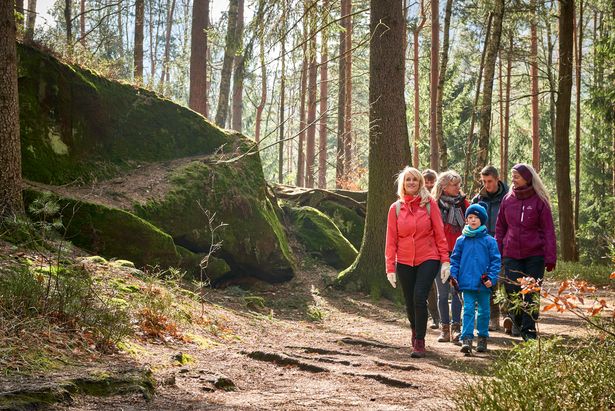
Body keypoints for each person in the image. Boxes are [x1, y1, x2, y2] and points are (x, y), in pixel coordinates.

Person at [385, 167, 449, 358]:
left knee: (419, 297)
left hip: (428, 257)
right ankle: (414, 332)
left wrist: (445, 260)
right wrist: (390, 266)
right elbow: (391, 239)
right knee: (409, 301)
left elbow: (440, 233)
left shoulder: (429, 204)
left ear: (420, 183)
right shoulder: (395, 208)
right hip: (404, 260)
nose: (411, 183)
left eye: (414, 179)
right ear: (403, 184)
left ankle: (420, 341)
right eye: (407, 180)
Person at [495, 163, 557, 341]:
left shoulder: (540, 201)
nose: (513, 180)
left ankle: (529, 331)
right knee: (512, 289)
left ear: (527, 179)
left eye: (516, 176)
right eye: (512, 176)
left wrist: (550, 257)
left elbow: (548, 231)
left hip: (534, 255)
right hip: (511, 253)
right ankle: (517, 321)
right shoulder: (507, 200)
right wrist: (499, 250)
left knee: (530, 292)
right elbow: (500, 228)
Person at [447, 203, 501, 355]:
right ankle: (467, 340)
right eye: (469, 217)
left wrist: (491, 278)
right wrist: (454, 276)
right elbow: (455, 260)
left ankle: (482, 338)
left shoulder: (489, 241)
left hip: (484, 283)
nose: (472, 220)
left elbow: (496, 261)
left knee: (484, 311)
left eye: (476, 217)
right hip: (466, 283)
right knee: (468, 310)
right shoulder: (461, 240)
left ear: (482, 220)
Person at [432, 170, 469, 344]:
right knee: (442, 294)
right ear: (444, 187)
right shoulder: (434, 205)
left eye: (459, 184)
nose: (458, 188)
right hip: (439, 255)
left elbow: (470, 226)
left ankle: (456, 329)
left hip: (458, 254)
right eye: (455, 185)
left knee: (456, 292)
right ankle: (444, 329)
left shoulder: (463, 204)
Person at [471, 165, 508, 331]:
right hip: (484, 246)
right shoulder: (478, 200)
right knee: (490, 282)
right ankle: (493, 319)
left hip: (505, 245)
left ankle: (509, 317)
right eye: (484, 181)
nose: (487, 185)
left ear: (497, 179)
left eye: (490, 181)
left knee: (505, 282)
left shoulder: (508, 197)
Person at [422, 169, 440, 329]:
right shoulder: (420, 200)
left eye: (431, 181)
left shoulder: (439, 200)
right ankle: (435, 317)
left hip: (440, 247)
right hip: (425, 248)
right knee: (429, 286)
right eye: (426, 181)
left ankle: (451, 318)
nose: (429, 184)